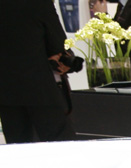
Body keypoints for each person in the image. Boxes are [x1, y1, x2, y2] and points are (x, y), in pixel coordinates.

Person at [1, 0, 79, 143]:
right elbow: (58, 44)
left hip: (6, 91)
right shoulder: (39, 3)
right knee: (60, 146)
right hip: (40, 88)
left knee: (17, 147)